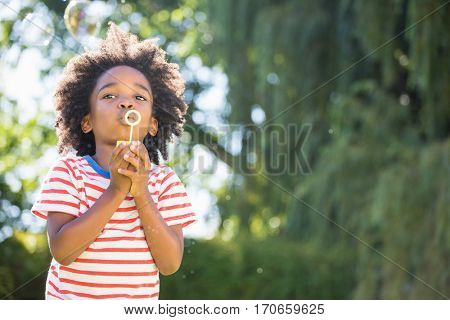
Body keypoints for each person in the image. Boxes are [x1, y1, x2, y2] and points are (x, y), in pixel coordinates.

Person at [30, 21, 198, 299]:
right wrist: (116, 190)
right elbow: (62, 251)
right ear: (86, 121)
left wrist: (141, 191)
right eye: (109, 94)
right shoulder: (68, 172)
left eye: (139, 96)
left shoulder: (164, 182)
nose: (126, 102)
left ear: (153, 124)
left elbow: (169, 264)